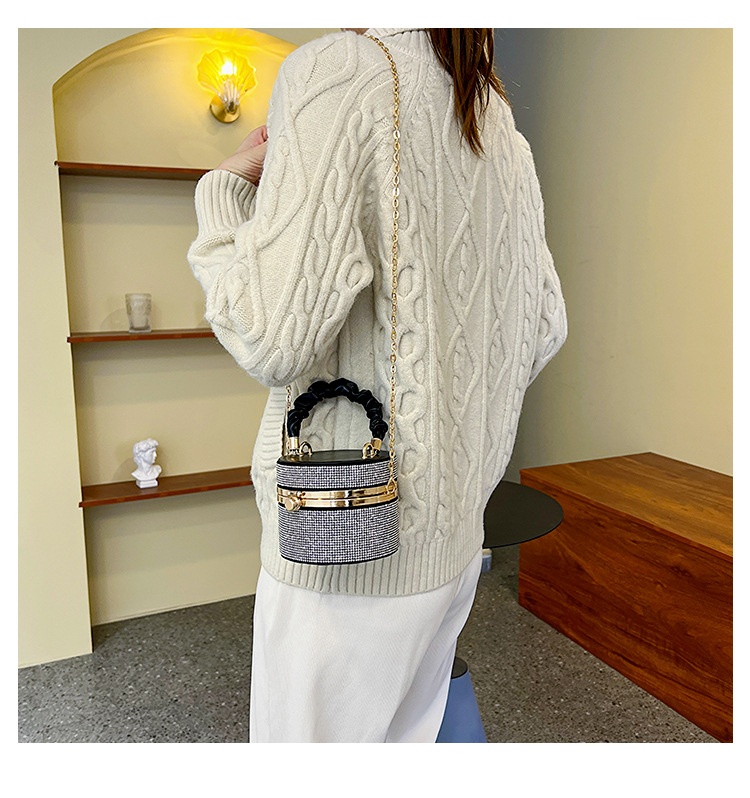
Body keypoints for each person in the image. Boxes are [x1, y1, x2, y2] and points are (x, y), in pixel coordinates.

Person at [187, 27, 567, 743]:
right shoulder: (491, 112)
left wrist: (224, 191)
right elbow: (543, 324)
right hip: (453, 541)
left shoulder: (339, 69)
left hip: (344, 541)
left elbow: (266, 335)